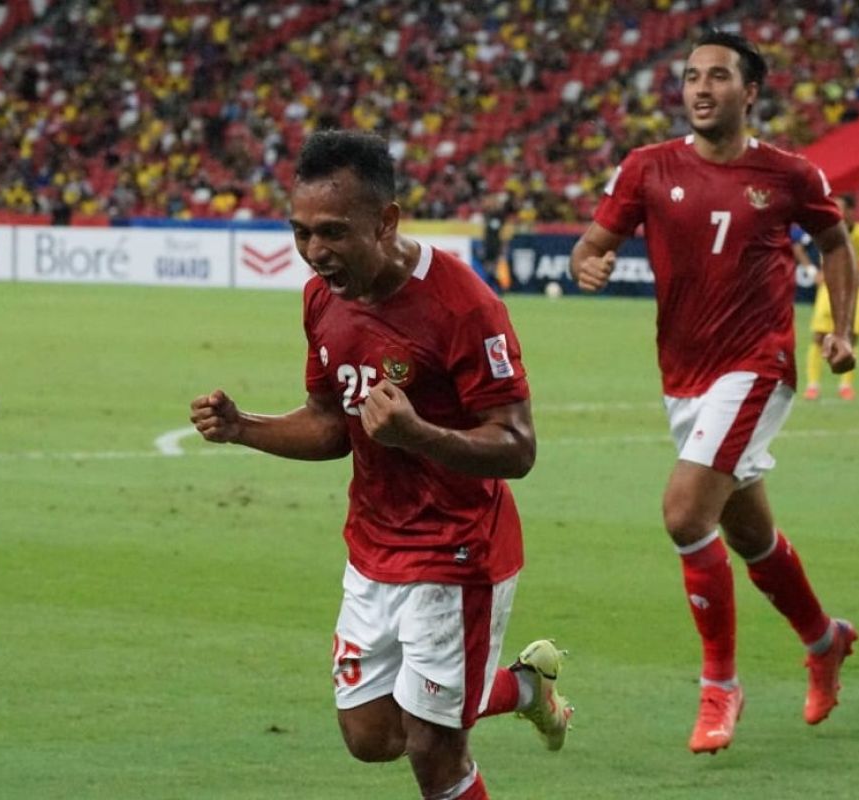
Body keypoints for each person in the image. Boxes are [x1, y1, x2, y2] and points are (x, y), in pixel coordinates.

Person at [190, 130, 573, 799]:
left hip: (458, 556)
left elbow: (518, 447)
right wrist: (243, 427)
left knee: (434, 752)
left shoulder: (464, 306)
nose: (316, 253)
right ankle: (523, 688)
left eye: (333, 233)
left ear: (387, 221)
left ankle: (471, 703)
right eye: (302, 233)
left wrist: (417, 434)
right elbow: (330, 424)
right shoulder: (322, 299)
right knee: (372, 738)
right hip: (372, 548)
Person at [570, 31, 859, 755]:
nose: (701, 88)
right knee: (749, 535)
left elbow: (835, 244)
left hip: (759, 366)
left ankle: (720, 686)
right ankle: (824, 641)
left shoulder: (789, 174)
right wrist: (588, 263)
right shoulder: (647, 166)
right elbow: (591, 243)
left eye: (719, 76)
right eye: (692, 76)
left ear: (750, 91)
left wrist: (843, 330)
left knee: (683, 510)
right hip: (685, 378)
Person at [795, 194, 859, 400]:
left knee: (851, 337)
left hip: (854, 291)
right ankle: (813, 385)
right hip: (827, 289)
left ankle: (846, 386)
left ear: (851, 211)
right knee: (818, 335)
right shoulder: (825, 228)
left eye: (840, 208)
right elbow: (799, 247)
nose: (836, 212)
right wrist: (813, 272)